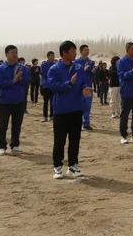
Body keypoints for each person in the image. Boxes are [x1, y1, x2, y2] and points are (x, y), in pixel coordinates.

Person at [48, 40, 92, 179]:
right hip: (61, 110)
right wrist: (70, 83)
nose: (75, 54)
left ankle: (73, 165)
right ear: (65, 53)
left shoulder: (78, 67)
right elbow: (54, 86)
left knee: (75, 139)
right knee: (60, 140)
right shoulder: (54, 69)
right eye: (73, 51)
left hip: (76, 108)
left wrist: (85, 88)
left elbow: (83, 81)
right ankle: (57, 167)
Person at [0, 45, 29, 155]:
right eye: (12, 52)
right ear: (6, 54)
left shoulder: (22, 68)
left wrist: (21, 79)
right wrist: (13, 80)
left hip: (18, 101)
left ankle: (15, 145)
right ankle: (1, 146)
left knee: (16, 125)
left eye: (16, 52)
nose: (15, 55)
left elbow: (27, 81)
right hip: (5, 102)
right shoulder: (0, 68)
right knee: (2, 126)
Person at [75, 45, 97, 131]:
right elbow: (75, 73)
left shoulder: (91, 62)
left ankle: (86, 124)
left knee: (87, 105)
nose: (87, 51)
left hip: (88, 87)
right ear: (81, 51)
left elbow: (91, 74)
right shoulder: (76, 62)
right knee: (78, 106)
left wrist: (93, 71)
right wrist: (83, 69)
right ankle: (78, 123)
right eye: (85, 50)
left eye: (88, 50)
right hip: (78, 87)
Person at [40, 51, 57, 122]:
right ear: (48, 56)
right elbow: (44, 74)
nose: (53, 57)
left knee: (53, 101)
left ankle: (52, 115)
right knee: (45, 102)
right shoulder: (44, 65)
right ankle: (45, 116)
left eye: (53, 56)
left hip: (53, 86)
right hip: (46, 86)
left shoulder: (56, 65)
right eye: (51, 56)